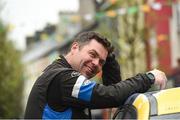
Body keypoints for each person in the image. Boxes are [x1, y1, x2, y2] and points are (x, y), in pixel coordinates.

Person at [24, 31, 167, 119]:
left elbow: (114, 95)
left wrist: (109, 58)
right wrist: (148, 77)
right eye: (92, 54)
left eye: (101, 62)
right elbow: (110, 94)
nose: (95, 64)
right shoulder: (64, 78)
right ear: (75, 47)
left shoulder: (56, 72)